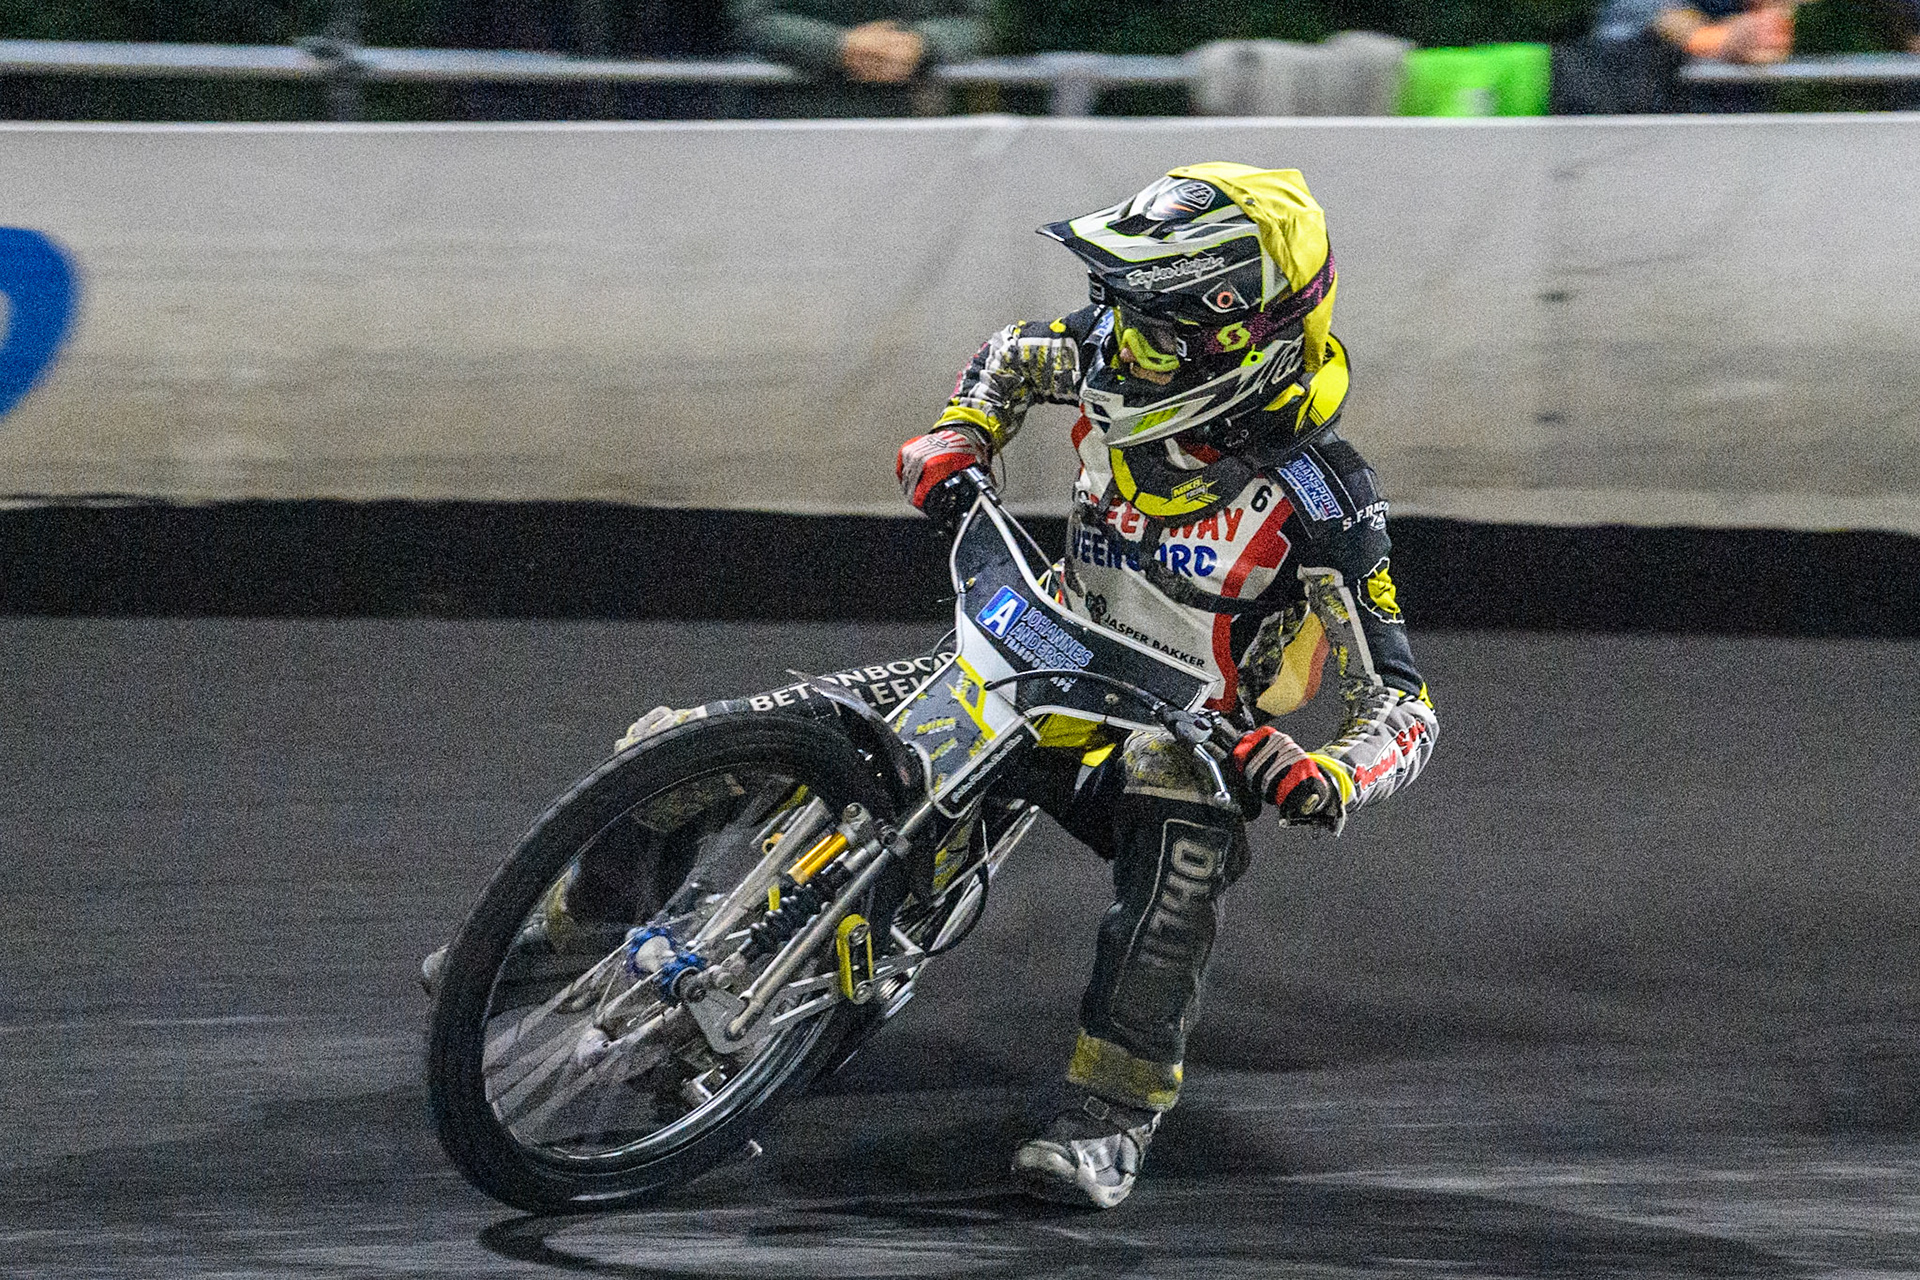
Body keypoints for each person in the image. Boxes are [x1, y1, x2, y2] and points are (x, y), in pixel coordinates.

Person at [893, 163, 1438, 1208]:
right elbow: (1011, 357)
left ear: (1232, 336)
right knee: (798, 729)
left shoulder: (1324, 495)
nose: (1117, 338)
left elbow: (1403, 707)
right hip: (1040, 655)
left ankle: (1111, 1117)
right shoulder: (1106, 350)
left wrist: (1326, 771)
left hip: (1170, 732)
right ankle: (571, 933)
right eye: (1119, 309)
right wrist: (965, 429)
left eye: (1152, 323)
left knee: (1187, 844)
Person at [726, 0, 990, 114]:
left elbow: (979, 21)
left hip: (913, 116)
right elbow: (750, 18)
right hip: (792, 113)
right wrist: (838, 45)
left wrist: (922, 42)